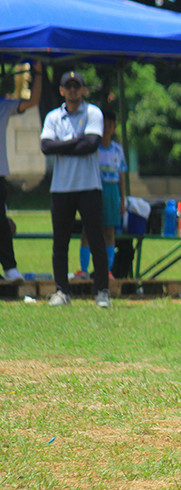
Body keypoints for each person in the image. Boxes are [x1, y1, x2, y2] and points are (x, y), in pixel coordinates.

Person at [40, 71, 109, 308]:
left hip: (89, 186)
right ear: (61, 90)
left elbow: (90, 145)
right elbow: (46, 147)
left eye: (76, 86)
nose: (72, 90)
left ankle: (101, 291)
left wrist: (62, 145)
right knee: (60, 243)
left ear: (83, 90)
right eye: (68, 87)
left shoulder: (93, 113)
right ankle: (62, 291)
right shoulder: (53, 117)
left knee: (96, 239)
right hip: (61, 188)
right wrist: (75, 141)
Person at [0, 61, 42, 283]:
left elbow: (33, 101)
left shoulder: (3, 105)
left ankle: (9, 268)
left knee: (2, 224)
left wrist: (38, 73)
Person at [76, 109, 127, 280]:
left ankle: (107, 270)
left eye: (110, 125)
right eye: (104, 125)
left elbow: (121, 176)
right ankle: (84, 270)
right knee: (88, 230)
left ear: (114, 127)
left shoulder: (117, 150)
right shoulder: (93, 148)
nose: (107, 128)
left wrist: (122, 199)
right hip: (95, 189)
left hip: (112, 191)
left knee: (109, 231)